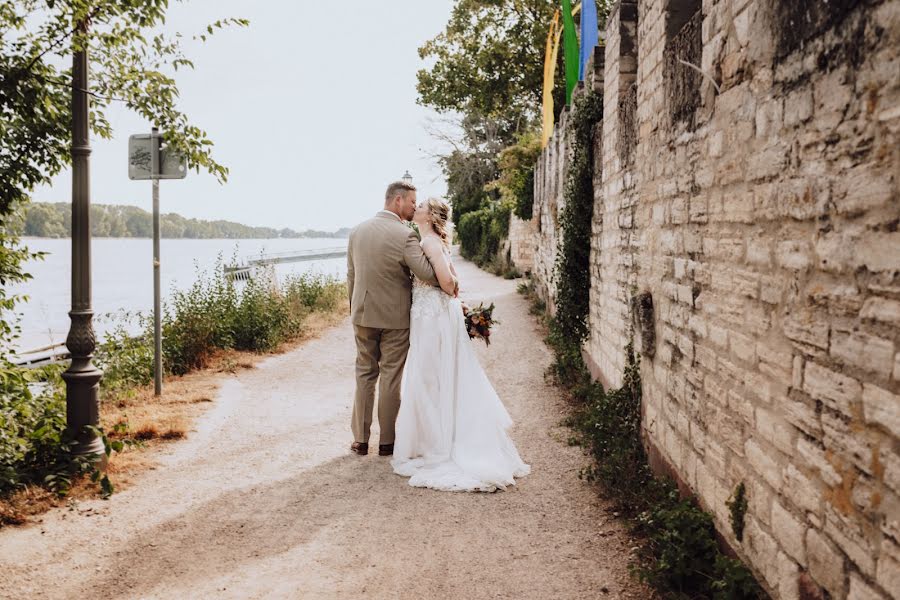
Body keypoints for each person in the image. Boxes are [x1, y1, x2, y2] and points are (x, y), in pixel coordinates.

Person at [391, 197, 530, 492]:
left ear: (429, 216)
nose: (415, 208)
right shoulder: (429, 238)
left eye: (421, 206)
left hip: (433, 316)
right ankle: (437, 436)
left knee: (431, 377)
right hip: (432, 313)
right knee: (435, 376)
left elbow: (448, 283)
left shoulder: (428, 242)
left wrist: (451, 286)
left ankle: (439, 443)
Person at [345, 181, 449, 457]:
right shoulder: (406, 236)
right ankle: (387, 442)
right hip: (395, 319)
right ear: (398, 200)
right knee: (391, 376)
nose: (415, 206)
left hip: (363, 314)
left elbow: (351, 276)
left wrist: (353, 308)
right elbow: (428, 274)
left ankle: (360, 440)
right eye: (412, 202)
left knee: (365, 374)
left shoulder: (357, 232)